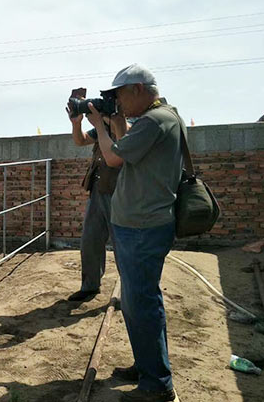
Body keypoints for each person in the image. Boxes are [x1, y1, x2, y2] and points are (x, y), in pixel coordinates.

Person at [86, 63, 183, 402]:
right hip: (141, 223)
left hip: (142, 226)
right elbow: (128, 147)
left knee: (141, 302)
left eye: (119, 95)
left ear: (138, 89)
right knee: (138, 301)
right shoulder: (161, 118)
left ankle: (157, 384)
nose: (118, 102)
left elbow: (113, 157)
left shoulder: (155, 121)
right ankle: (148, 365)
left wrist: (99, 124)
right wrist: (114, 122)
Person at [65, 88, 127, 302]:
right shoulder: (101, 127)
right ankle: (90, 286)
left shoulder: (128, 123)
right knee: (90, 241)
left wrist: (104, 122)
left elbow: (124, 140)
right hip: (98, 189)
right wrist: (77, 123)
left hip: (120, 193)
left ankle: (129, 291)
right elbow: (80, 141)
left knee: (122, 244)